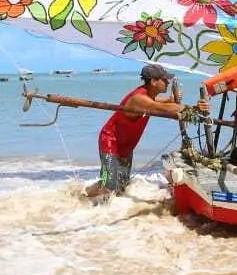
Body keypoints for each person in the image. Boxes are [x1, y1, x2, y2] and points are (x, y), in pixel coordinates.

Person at [85, 64, 208, 200]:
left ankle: (107, 203)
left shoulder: (149, 95)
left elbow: (163, 103)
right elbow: (160, 107)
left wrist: (171, 100)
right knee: (108, 184)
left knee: (122, 184)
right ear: (154, 81)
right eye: (164, 80)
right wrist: (194, 108)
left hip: (126, 144)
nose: (167, 82)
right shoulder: (139, 98)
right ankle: (86, 195)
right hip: (110, 140)